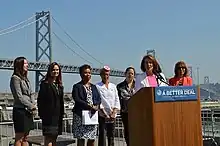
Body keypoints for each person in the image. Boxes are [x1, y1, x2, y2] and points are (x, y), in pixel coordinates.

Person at [72, 64, 101, 146]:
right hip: (80, 115)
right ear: (81, 74)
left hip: (92, 115)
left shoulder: (94, 87)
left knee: (92, 138)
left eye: (89, 72)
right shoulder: (77, 86)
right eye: (85, 72)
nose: (88, 74)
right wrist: (89, 106)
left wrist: (97, 106)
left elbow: (98, 99)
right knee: (81, 138)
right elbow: (77, 99)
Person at [10, 56, 37, 146]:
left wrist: (33, 104)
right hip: (20, 111)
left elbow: (31, 93)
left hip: (28, 111)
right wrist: (31, 105)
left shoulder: (26, 79)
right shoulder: (15, 78)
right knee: (19, 137)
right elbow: (19, 97)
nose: (27, 65)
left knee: (26, 137)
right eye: (25, 63)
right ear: (19, 65)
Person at [37, 62, 65, 146]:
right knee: (48, 137)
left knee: (54, 138)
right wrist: (42, 114)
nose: (55, 71)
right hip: (48, 116)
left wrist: (62, 113)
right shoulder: (44, 84)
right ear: (49, 71)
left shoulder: (59, 85)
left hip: (58, 116)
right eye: (53, 70)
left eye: (57, 70)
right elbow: (40, 101)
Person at [96, 66, 121, 146]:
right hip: (103, 115)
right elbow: (98, 100)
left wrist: (114, 112)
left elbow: (117, 99)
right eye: (104, 74)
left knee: (111, 136)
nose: (106, 76)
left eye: (107, 74)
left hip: (112, 115)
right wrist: (104, 113)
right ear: (100, 75)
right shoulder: (97, 86)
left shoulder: (113, 86)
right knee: (102, 135)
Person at [117, 66, 135, 146]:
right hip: (125, 112)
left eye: (132, 73)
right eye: (129, 73)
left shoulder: (138, 85)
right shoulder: (119, 86)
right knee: (127, 131)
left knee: (136, 130)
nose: (130, 75)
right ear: (125, 74)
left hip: (136, 112)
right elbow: (117, 100)